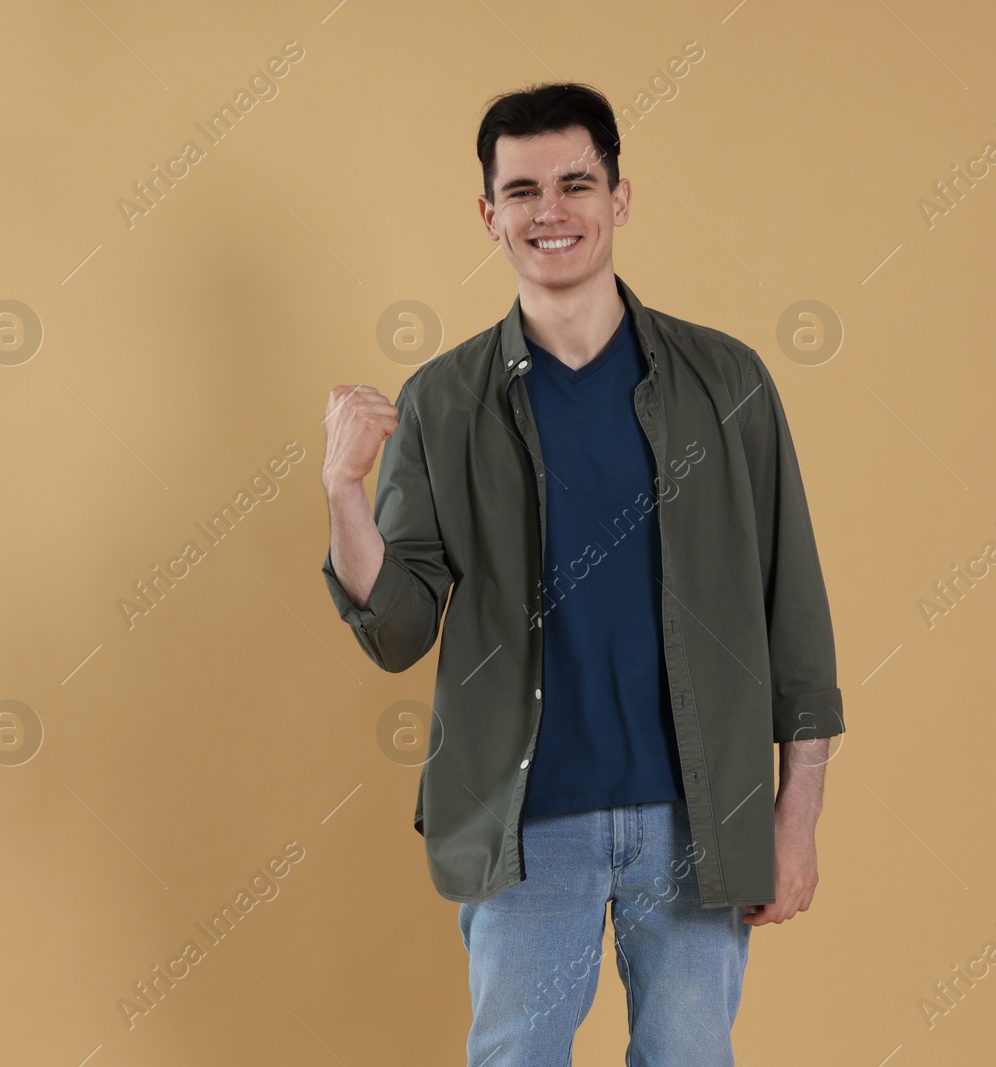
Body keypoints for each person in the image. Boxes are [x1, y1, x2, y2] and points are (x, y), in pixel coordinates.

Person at [319, 81, 844, 1067]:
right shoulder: (443, 400)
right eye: (521, 191)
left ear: (619, 197)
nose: (549, 212)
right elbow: (395, 628)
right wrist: (346, 490)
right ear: (488, 214)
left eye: (574, 183)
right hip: (520, 826)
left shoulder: (724, 383)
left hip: (697, 815)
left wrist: (796, 818)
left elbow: (795, 612)